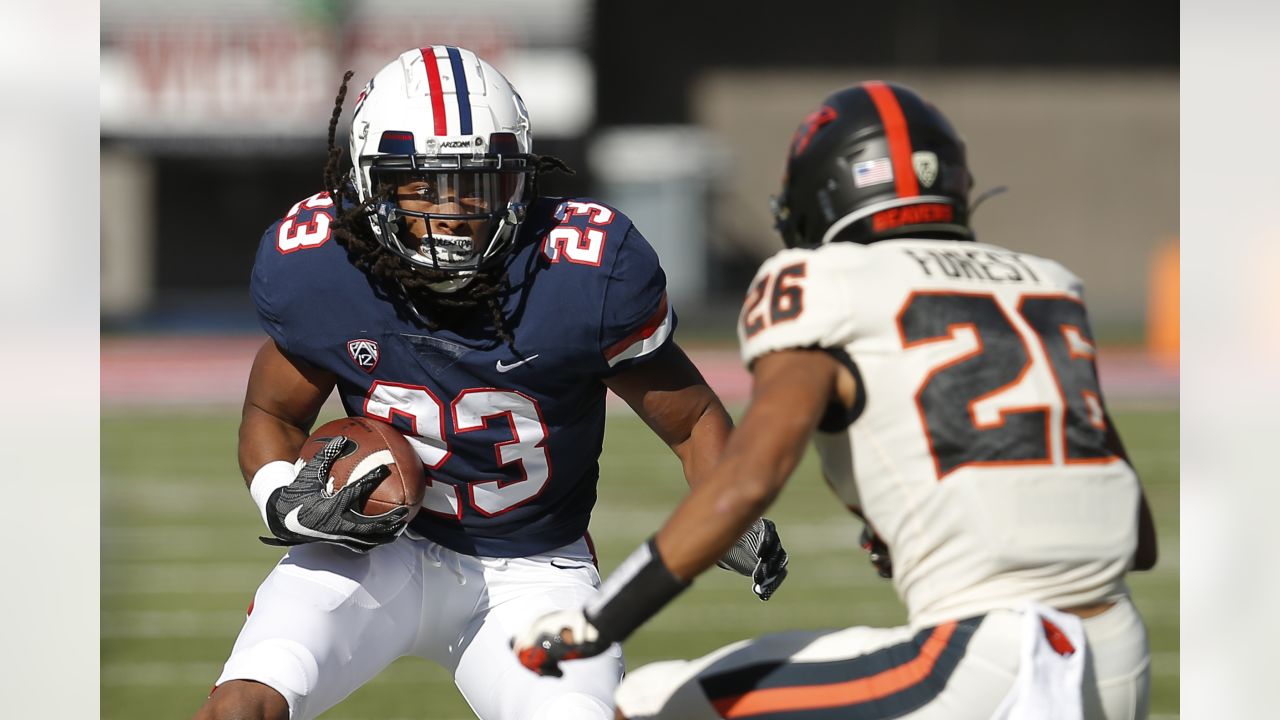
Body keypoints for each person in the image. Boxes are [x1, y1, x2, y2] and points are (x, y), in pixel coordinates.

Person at [514, 81, 1158, 720]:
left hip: (993, 659)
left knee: (650, 704)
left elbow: (747, 479)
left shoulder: (824, 282)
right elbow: (1139, 537)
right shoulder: (1048, 285)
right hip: (1119, 657)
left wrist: (599, 620)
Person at [194, 45, 790, 720]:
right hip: (373, 552)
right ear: (368, 185)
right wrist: (281, 497)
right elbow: (271, 411)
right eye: (422, 184)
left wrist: (729, 512)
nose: (451, 211)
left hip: (537, 574)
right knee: (242, 706)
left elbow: (691, 420)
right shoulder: (322, 266)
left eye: (475, 182)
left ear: (520, 178)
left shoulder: (582, 273)